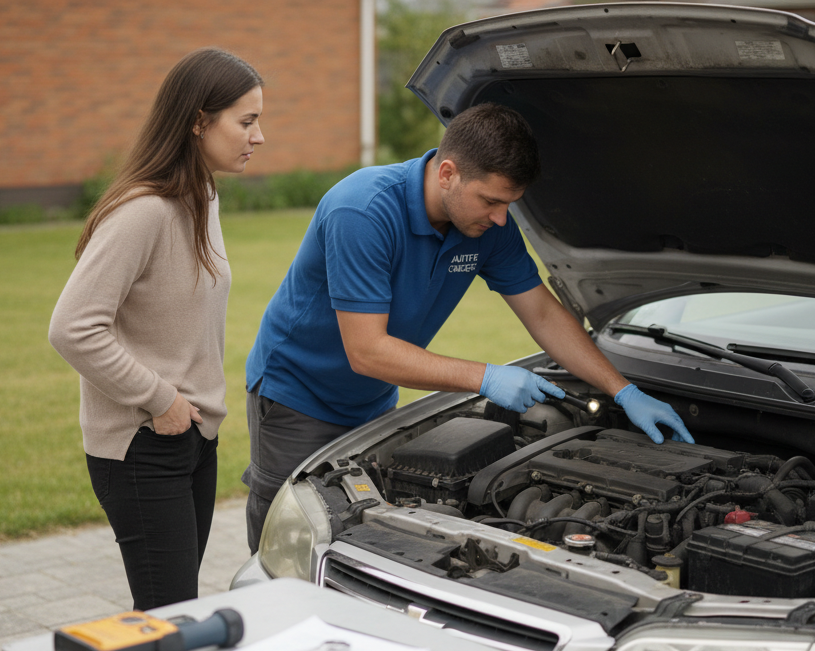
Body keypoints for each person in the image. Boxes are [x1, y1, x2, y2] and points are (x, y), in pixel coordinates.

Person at [242, 102, 691, 553]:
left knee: (361, 541)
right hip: (297, 398)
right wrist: (487, 377)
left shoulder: (487, 225)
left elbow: (542, 312)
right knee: (294, 544)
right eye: (491, 201)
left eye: (509, 204)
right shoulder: (362, 210)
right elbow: (368, 352)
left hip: (373, 399)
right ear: (447, 174)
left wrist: (623, 391)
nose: (500, 218)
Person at [48, 47, 262, 651]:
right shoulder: (143, 211)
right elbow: (73, 326)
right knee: (165, 631)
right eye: (247, 120)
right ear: (200, 122)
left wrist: (190, 413)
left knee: (173, 620)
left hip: (190, 440)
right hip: (143, 447)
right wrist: (160, 399)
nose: (258, 135)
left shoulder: (201, 197)